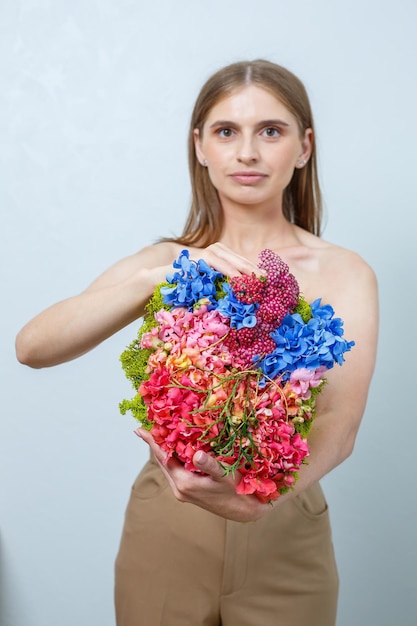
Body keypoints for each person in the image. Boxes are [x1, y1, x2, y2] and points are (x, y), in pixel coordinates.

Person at [16, 59, 378, 626]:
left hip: (288, 534)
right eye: (226, 131)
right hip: (167, 529)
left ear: (304, 147)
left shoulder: (345, 273)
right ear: (200, 147)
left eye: (271, 131)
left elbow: (340, 423)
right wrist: (157, 278)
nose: (248, 153)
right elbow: (32, 346)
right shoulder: (168, 265)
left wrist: (263, 500)